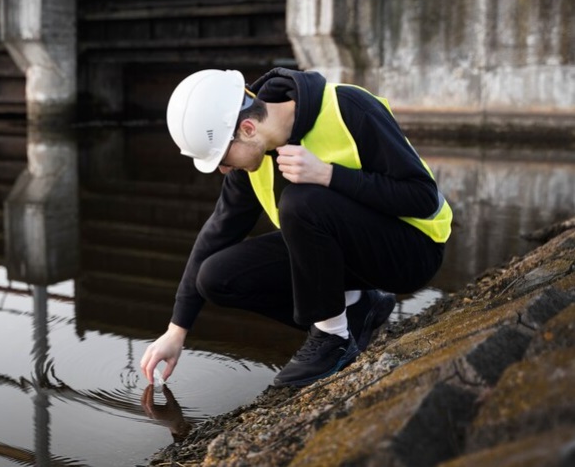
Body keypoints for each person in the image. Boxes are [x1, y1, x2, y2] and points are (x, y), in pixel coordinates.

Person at [139, 67, 452, 388]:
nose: (222, 169)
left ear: (247, 128)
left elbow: (422, 197)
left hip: (413, 251)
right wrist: (177, 330)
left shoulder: (349, 107)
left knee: (300, 201)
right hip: (353, 261)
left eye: (222, 157)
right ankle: (358, 308)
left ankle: (333, 340)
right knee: (216, 277)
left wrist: (329, 175)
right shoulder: (254, 155)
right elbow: (218, 231)